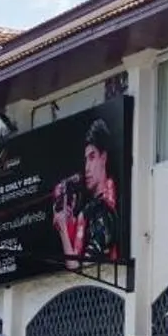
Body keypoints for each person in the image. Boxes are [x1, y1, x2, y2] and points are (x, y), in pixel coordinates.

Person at [53, 115, 124, 270]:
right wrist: (69, 222)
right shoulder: (92, 208)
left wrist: (63, 231)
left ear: (103, 157)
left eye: (92, 157)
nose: (87, 168)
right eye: (86, 160)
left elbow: (81, 271)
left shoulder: (103, 211)